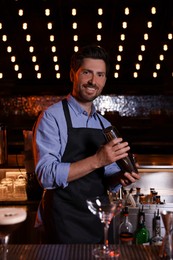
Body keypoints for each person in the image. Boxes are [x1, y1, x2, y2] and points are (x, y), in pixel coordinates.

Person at [32, 44, 140, 244]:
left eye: (100, 75)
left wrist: (119, 178)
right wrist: (98, 159)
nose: (93, 81)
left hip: (97, 221)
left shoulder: (105, 125)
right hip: (62, 221)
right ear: (73, 74)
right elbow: (46, 176)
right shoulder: (51, 117)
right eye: (87, 73)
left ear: (105, 80)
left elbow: (103, 177)